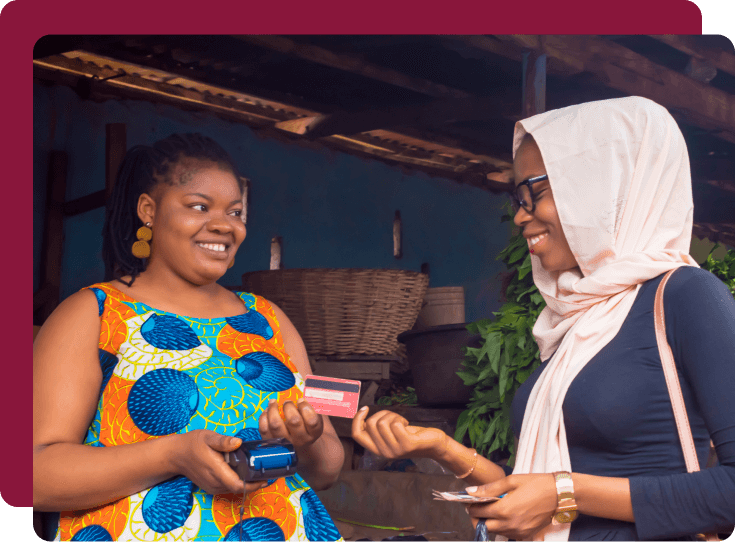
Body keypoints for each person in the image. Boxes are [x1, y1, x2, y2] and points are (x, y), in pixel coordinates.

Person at [352, 97, 734, 541]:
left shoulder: (687, 296)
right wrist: (443, 448)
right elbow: (532, 492)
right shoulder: (577, 318)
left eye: (537, 191)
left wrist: (564, 492)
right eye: (518, 196)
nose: (519, 215)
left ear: (601, 186)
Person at [33, 133, 346, 542]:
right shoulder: (92, 313)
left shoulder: (270, 319)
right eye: (199, 206)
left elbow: (328, 470)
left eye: (236, 211)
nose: (224, 225)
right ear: (149, 210)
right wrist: (172, 454)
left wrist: (310, 438)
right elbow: (34, 477)